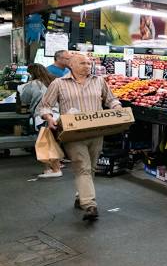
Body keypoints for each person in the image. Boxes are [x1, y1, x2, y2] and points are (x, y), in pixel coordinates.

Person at [39, 54, 123, 222]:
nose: (87, 66)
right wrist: (49, 118)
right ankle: (89, 204)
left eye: (89, 63)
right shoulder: (59, 84)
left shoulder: (99, 81)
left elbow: (111, 99)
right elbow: (44, 106)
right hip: (73, 134)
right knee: (82, 166)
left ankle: (80, 196)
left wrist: (118, 108)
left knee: (91, 167)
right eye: (83, 63)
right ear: (72, 65)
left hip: (96, 131)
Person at [19, 64, 61, 178]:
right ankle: (53, 167)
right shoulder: (55, 81)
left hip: (42, 116)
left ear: (31, 73)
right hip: (57, 114)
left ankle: (53, 169)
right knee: (53, 141)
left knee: (45, 142)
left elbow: (25, 99)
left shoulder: (32, 84)